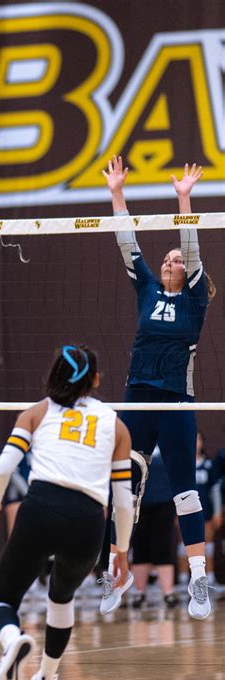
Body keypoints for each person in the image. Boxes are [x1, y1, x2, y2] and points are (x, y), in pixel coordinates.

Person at [0, 346, 134, 680]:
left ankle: (11, 639)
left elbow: (3, 468)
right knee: (61, 600)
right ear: (95, 380)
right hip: (87, 522)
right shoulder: (116, 424)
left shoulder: (38, 412)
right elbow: (124, 500)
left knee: (0, 602)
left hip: (40, 509)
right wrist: (121, 550)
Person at [101, 157, 215, 620]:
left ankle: (198, 578)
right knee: (122, 485)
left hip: (176, 402)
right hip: (137, 398)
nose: (170, 260)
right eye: (165, 258)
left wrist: (183, 198)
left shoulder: (193, 300)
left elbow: (190, 244)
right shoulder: (147, 288)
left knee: (185, 491)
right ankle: (118, 569)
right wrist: (116, 194)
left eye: (176, 259)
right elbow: (127, 241)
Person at [130, 447, 178, 609]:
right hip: (139, 502)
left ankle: (168, 593)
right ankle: (139, 593)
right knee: (140, 548)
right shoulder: (138, 439)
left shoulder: (168, 440)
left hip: (165, 502)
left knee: (163, 547)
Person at [178, 432, 222, 585]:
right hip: (184, 512)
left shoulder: (209, 465)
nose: (195, 444)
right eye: (191, 440)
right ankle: (184, 579)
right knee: (183, 545)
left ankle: (208, 577)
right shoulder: (181, 464)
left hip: (206, 513)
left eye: (197, 440)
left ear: (203, 443)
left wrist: (217, 511)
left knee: (207, 546)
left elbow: (215, 490)